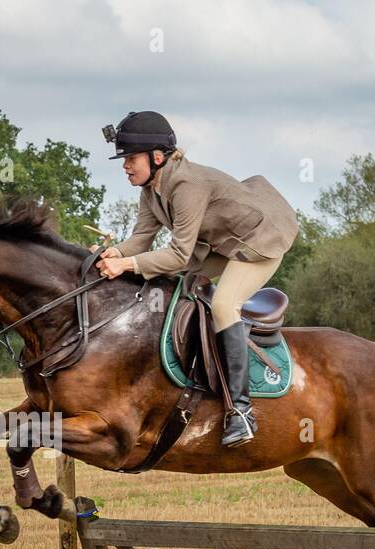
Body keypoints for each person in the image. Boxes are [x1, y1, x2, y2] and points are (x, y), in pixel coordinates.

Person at [93, 111, 298, 446]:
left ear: (157, 157)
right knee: (180, 288)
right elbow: (141, 240)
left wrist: (127, 264)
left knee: (223, 304)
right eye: (124, 159)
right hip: (223, 241)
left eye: (131, 158)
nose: (125, 166)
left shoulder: (186, 185)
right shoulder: (151, 190)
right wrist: (114, 253)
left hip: (262, 239)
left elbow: (176, 255)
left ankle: (241, 412)